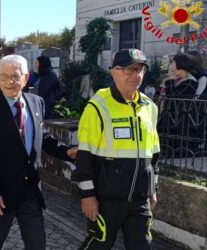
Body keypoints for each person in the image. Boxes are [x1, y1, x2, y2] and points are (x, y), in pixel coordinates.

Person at [0, 55, 76, 250]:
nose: (9, 82)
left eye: (15, 76)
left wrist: (66, 152)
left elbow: (41, 133)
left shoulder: (36, 102)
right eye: (4, 77)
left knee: (37, 245)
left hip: (30, 194)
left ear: (26, 78)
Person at [73, 49, 160, 249]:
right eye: (129, 70)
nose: (135, 75)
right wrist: (87, 196)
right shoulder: (98, 106)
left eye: (139, 69)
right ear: (114, 72)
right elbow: (85, 155)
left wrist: (153, 189)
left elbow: (154, 154)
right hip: (107, 199)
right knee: (99, 244)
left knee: (142, 245)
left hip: (139, 198)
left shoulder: (150, 107)